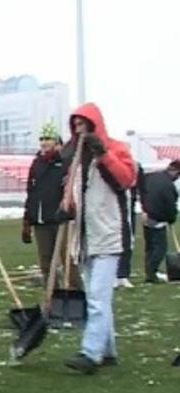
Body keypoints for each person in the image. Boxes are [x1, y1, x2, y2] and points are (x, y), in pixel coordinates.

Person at [60, 103, 137, 374]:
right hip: (84, 237)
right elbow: (73, 193)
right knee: (97, 296)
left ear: (95, 125)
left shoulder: (116, 149)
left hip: (109, 234)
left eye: (83, 124)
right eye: (75, 124)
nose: (79, 129)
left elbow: (126, 178)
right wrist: (65, 208)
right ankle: (108, 350)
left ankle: (90, 353)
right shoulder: (76, 160)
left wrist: (103, 154)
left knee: (97, 297)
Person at [22, 123, 66, 284]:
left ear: (56, 141)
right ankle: (52, 298)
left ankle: (76, 295)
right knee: (46, 262)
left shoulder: (64, 162)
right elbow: (31, 192)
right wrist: (27, 219)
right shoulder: (37, 163)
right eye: (42, 139)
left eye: (48, 138)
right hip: (41, 220)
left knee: (68, 261)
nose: (44, 142)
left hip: (61, 220)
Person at [139, 161, 180, 283]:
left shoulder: (151, 177)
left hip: (147, 216)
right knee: (160, 248)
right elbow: (170, 205)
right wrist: (171, 218)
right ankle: (151, 273)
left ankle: (150, 273)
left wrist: (144, 209)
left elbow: (142, 192)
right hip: (157, 218)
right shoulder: (168, 186)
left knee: (150, 247)